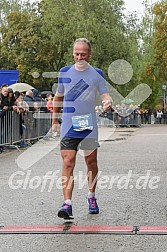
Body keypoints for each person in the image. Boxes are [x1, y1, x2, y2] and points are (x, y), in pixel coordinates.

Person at [52, 38, 112, 219]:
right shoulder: (64, 72)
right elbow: (58, 97)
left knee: (91, 162)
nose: (79, 57)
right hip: (69, 124)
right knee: (68, 161)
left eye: (83, 54)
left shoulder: (97, 73)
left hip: (87, 124)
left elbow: (105, 94)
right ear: (73, 54)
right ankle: (67, 203)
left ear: (89, 54)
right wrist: (55, 121)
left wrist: (107, 101)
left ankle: (91, 196)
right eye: (77, 54)